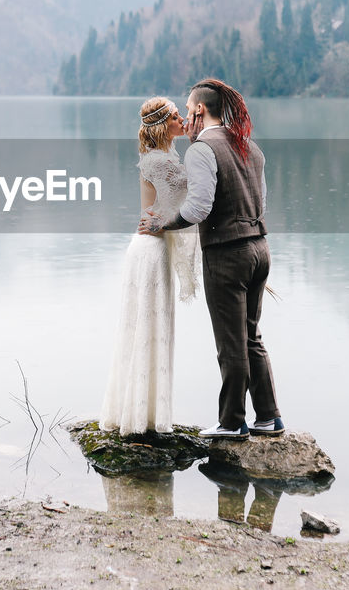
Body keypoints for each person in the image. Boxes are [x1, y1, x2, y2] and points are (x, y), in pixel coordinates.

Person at [139, 78, 282, 440]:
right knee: (251, 336)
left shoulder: (202, 150)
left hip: (227, 255)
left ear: (200, 109)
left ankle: (233, 422)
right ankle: (269, 417)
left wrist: (164, 224)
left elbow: (198, 208)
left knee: (231, 342)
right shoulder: (249, 145)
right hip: (260, 250)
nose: (186, 116)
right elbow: (260, 202)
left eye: (188, 109)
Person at [99, 97, 200, 435]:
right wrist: (199, 139)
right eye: (176, 116)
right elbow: (197, 195)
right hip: (151, 250)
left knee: (152, 328)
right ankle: (141, 418)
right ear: (163, 124)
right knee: (146, 328)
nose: (181, 119)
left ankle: (147, 414)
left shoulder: (165, 157)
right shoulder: (160, 162)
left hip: (155, 247)